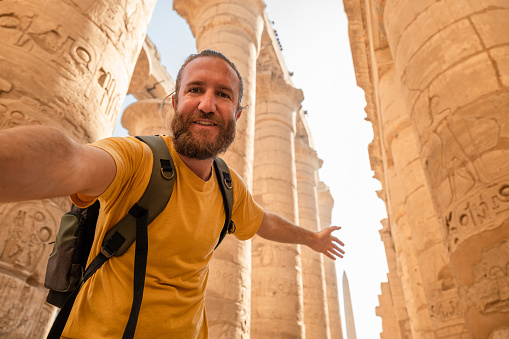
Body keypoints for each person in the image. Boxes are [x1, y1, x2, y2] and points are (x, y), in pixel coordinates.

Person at [0, 49, 345, 338]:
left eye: (223, 94)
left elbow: (263, 222)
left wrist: (312, 238)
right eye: (196, 89)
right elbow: (71, 160)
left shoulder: (228, 186)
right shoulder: (138, 158)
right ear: (175, 101)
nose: (208, 104)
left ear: (238, 115)